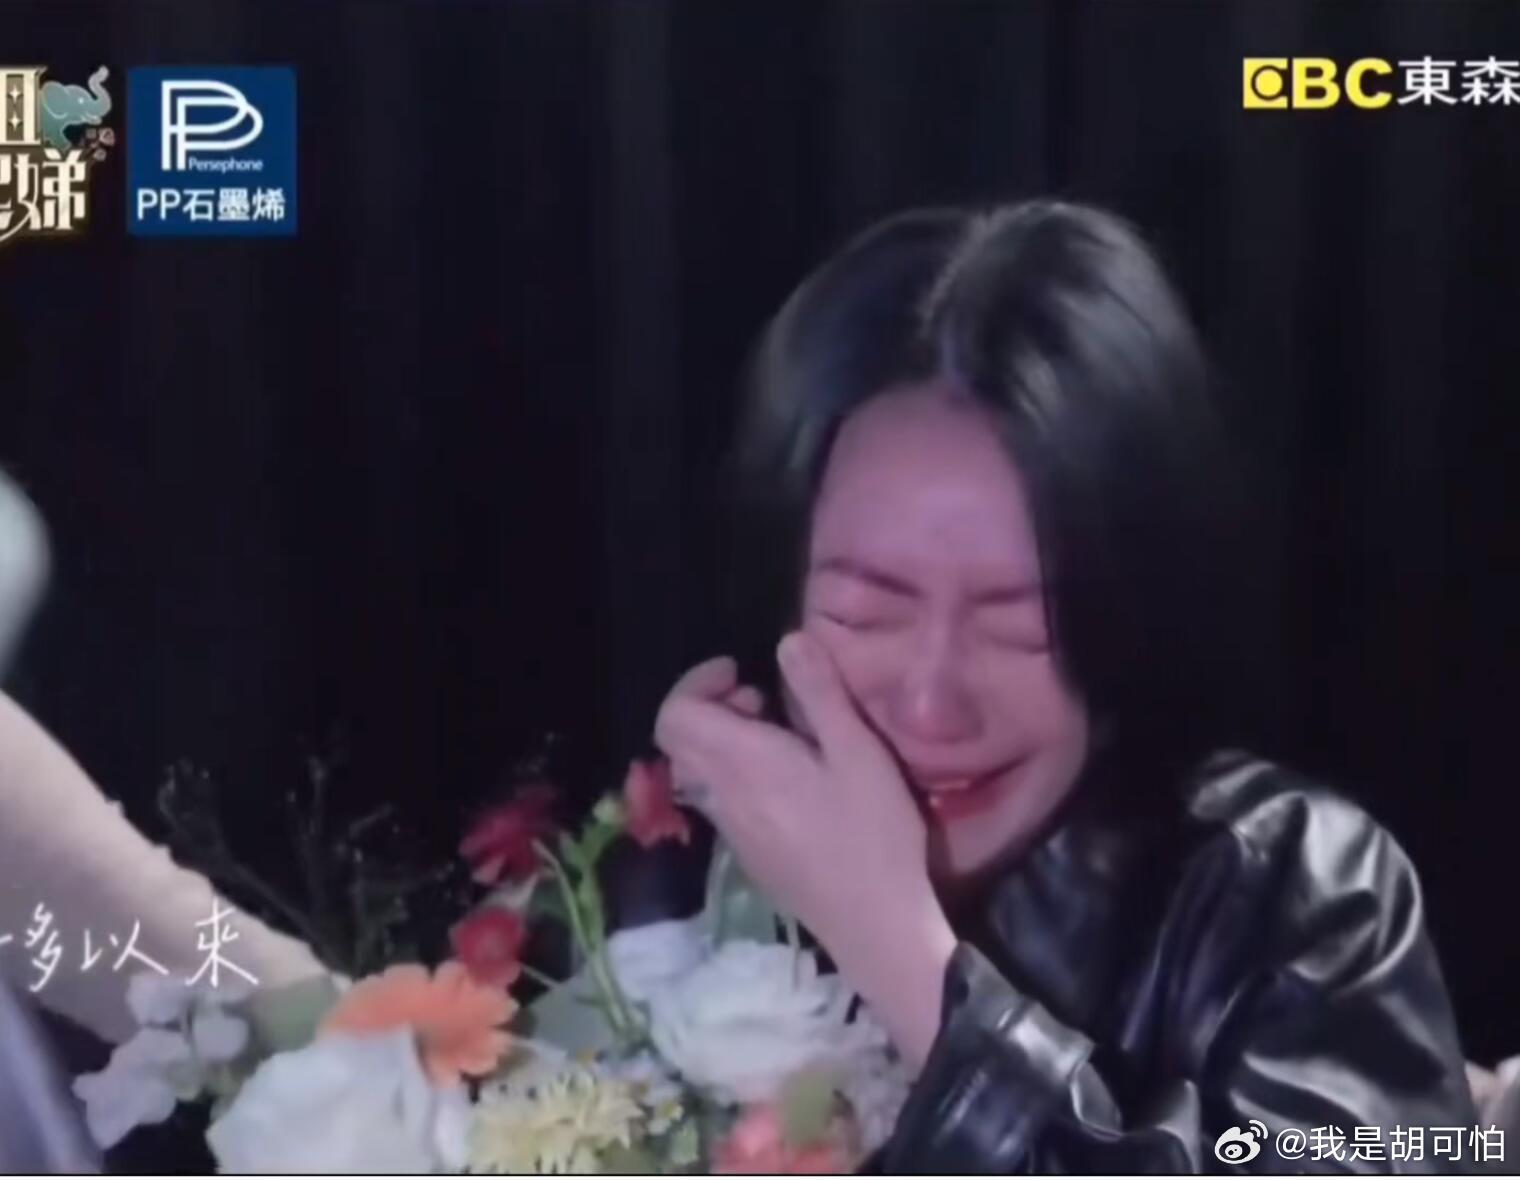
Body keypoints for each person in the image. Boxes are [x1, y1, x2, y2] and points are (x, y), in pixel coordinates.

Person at [653, 201, 1479, 1171]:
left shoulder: (1291, 895)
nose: (931, 707)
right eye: (865, 614)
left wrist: (905, 959)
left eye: (1025, 624)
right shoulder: (670, 884)